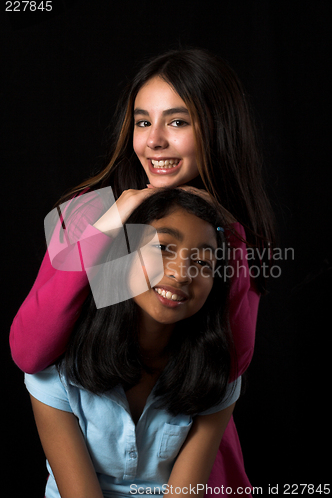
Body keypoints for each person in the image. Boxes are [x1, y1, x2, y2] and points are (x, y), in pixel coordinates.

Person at [11, 48, 275, 494]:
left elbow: (229, 365)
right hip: (93, 458)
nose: (153, 141)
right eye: (142, 121)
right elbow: (30, 352)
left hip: (186, 461)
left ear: (216, 130)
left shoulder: (231, 231)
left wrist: (229, 238)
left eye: (177, 122)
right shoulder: (86, 213)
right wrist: (109, 228)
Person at [25, 188, 243, 498]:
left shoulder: (217, 373)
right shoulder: (55, 368)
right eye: (163, 247)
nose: (182, 274)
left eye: (204, 263)